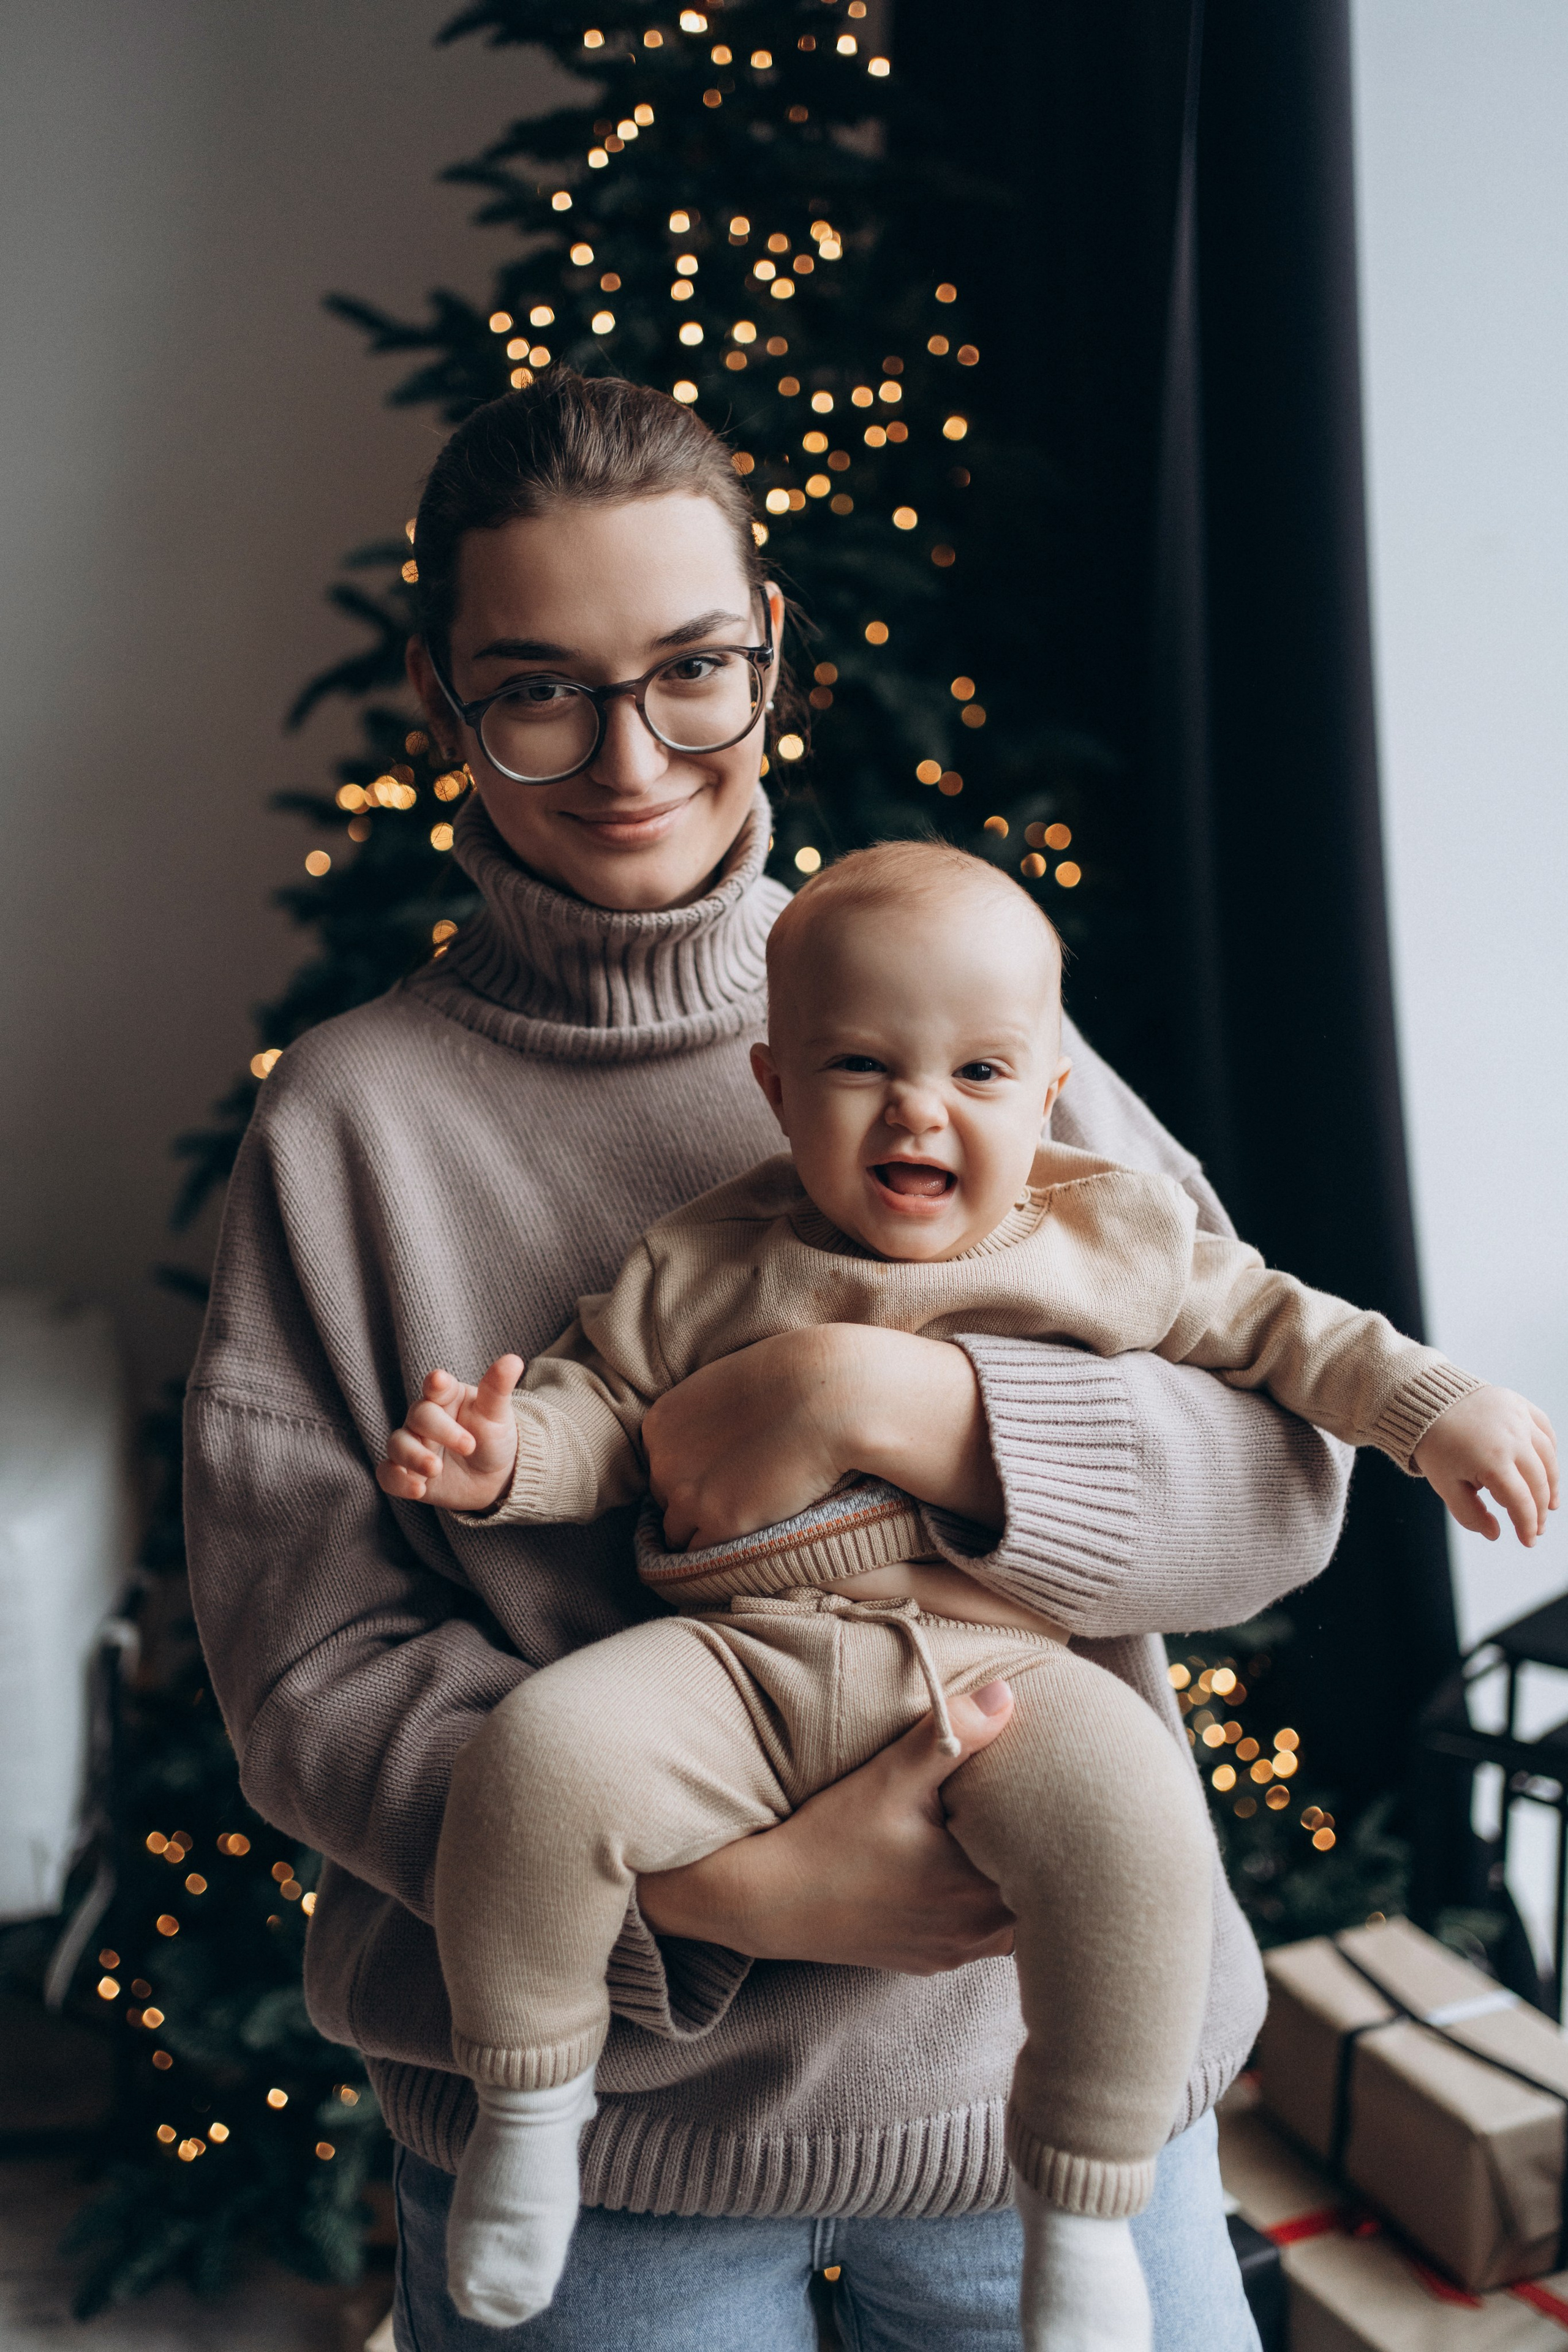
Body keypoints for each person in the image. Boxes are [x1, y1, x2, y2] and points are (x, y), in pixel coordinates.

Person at [187, 371, 1356, 2352]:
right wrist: (724, 1884)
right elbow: (309, 1674)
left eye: (692, 671)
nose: (632, 757)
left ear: (774, 660)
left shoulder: (953, 1001)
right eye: (539, 687)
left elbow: (1277, 1485)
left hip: (1029, 2102)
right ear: (437, 702)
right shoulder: (350, 1131)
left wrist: (886, 1399)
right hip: (595, 2163)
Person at [377, 838, 1555, 2343]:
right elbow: (602, 1414)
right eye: (860, 1065)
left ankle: (1078, 2210)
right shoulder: (703, 1256)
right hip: (743, 1666)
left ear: (1051, 1085)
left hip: (998, 1670)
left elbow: (1278, 1330)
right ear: (775, 1088)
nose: (919, 1110)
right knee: (537, 1761)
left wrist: (1426, 1407)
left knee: (1134, 1826)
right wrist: (501, 1459)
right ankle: (529, 2121)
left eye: (979, 1074)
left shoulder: (1104, 1232)